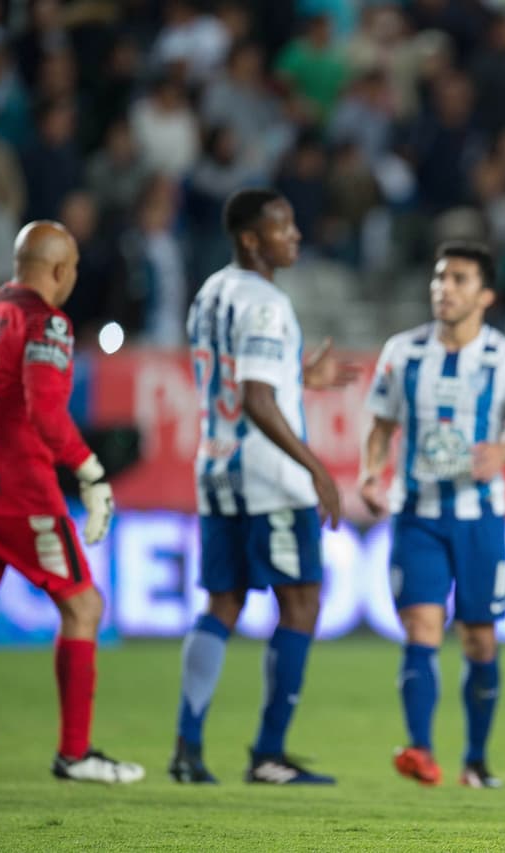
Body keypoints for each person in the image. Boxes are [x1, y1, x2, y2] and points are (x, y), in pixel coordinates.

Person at [169, 188, 359, 785]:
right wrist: (316, 467)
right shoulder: (269, 303)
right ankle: (269, 754)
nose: (294, 236)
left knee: (223, 603)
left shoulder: (209, 293)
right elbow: (256, 397)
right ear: (252, 239)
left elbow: (238, 379)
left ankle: (188, 746)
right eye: (283, 227)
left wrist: (298, 375)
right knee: (301, 601)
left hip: (215, 466)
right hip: (269, 479)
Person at [0, 222, 142, 786]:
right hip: (18, 487)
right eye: (75, 268)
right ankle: (75, 752)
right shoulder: (47, 323)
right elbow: (45, 413)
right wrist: (91, 472)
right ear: (60, 270)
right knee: (83, 607)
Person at [359, 242, 505, 789]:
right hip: (415, 513)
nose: (444, 287)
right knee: (420, 625)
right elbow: (379, 425)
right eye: (440, 277)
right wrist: (370, 473)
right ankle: (420, 751)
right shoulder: (402, 352)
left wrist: (504, 452)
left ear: (485, 295)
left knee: (479, 640)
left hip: (479, 518)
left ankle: (475, 760)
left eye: (460, 279)